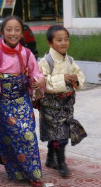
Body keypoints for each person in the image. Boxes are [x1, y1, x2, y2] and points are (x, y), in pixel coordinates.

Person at [0, 15, 45, 187]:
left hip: (22, 100)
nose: (13, 33)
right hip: (4, 102)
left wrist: (38, 81)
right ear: (2, 32)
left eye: (17, 30)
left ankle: (33, 173)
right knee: (7, 135)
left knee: (28, 134)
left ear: (22, 33)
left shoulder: (27, 53)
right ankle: (7, 163)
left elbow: (35, 73)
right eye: (9, 29)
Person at [38, 25, 87, 177]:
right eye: (59, 40)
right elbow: (42, 80)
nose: (63, 43)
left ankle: (50, 159)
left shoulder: (70, 60)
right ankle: (61, 163)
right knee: (61, 135)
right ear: (50, 43)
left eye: (66, 39)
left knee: (60, 132)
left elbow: (80, 76)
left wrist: (75, 80)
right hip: (51, 104)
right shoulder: (45, 61)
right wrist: (63, 78)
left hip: (66, 104)